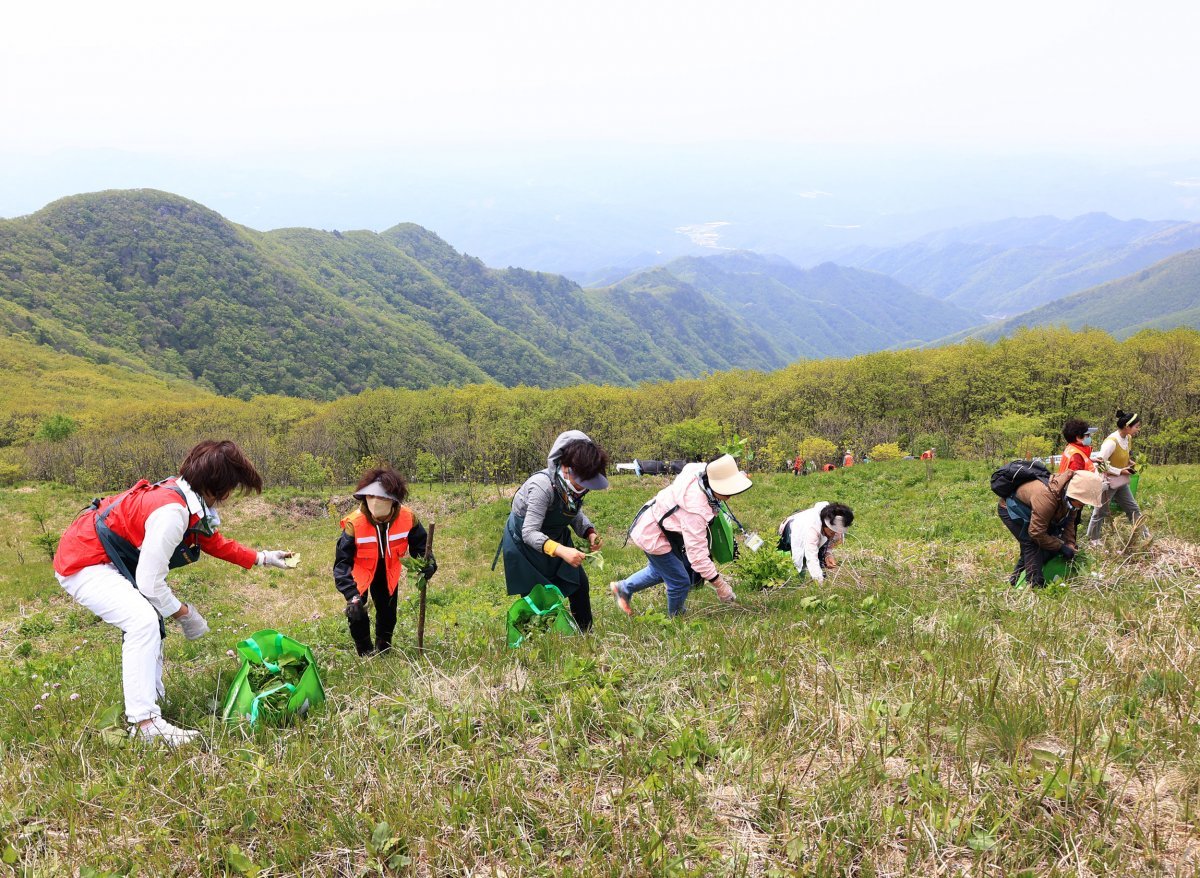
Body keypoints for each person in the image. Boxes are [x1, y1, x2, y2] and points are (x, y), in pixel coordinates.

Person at [52, 440, 294, 746]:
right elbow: (150, 584)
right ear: (219, 486)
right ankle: (146, 724)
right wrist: (185, 614)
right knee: (142, 621)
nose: (229, 496)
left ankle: (151, 699)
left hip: (103, 556)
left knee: (146, 618)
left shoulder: (184, 496)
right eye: (231, 487)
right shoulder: (171, 512)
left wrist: (262, 557)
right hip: (84, 562)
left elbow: (210, 540)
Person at [610, 454, 750, 617]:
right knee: (680, 580)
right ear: (712, 483)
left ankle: (623, 588)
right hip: (653, 534)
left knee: (662, 570)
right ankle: (677, 618)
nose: (730, 494)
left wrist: (734, 475)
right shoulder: (695, 511)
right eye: (726, 487)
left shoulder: (702, 472)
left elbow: (708, 466)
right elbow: (698, 557)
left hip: (660, 524)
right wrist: (721, 586)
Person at [496, 430, 609, 632]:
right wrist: (562, 551)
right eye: (582, 482)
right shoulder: (542, 487)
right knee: (536, 596)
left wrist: (589, 531)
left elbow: (573, 511)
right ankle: (536, 642)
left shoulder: (573, 488)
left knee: (579, 583)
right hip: (524, 544)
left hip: (555, 536)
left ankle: (585, 632)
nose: (584, 488)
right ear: (566, 469)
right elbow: (529, 532)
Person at [334, 467, 435, 656]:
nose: (375, 502)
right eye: (370, 497)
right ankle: (364, 652)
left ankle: (384, 648)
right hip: (360, 574)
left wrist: (427, 564)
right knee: (357, 614)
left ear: (393, 501)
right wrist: (351, 593)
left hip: (388, 571)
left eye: (381, 498)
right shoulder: (354, 524)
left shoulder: (408, 518)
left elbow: (421, 547)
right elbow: (342, 563)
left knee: (388, 614)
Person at [997, 468, 1103, 588]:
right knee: (1031, 543)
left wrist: (1069, 543)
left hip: (1033, 511)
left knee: (1043, 543)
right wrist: (1060, 547)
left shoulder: (1070, 499)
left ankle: (1014, 581)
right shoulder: (1047, 496)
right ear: (1074, 495)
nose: (1082, 506)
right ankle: (1035, 586)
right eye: (1081, 503)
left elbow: (1069, 522)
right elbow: (1036, 533)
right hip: (1012, 509)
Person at [1086, 410, 1150, 544]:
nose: (1138, 429)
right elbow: (1100, 465)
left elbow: (1123, 457)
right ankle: (1093, 540)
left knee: (1133, 508)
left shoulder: (1128, 438)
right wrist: (1120, 471)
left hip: (1121, 482)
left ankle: (1146, 536)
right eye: (1137, 426)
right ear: (1127, 427)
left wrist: (1131, 463)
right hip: (1107, 482)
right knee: (1100, 511)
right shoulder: (1111, 442)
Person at [778, 502, 854, 583]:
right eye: (832, 533)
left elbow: (831, 541)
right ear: (826, 525)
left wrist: (828, 555)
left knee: (820, 560)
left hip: (815, 530)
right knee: (794, 563)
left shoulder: (836, 524)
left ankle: (819, 575)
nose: (833, 535)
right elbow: (811, 557)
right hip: (790, 530)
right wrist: (819, 583)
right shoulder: (812, 529)